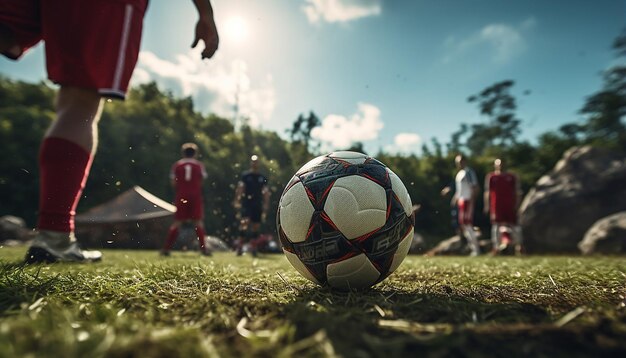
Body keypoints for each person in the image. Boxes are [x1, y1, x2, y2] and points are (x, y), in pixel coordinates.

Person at [1, 0, 219, 263]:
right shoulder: (197, 167)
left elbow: (174, 181)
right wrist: (205, 12)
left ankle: (57, 234)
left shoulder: (177, 165)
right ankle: (54, 234)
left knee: (7, 36)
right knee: (79, 101)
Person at [161, 143, 211, 256]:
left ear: (183, 153)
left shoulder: (177, 165)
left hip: (182, 195)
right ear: (195, 153)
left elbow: (173, 182)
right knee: (198, 221)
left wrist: (181, 189)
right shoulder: (199, 165)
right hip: (195, 195)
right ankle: (203, 249)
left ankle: (166, 248)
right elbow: (202, 180)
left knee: (177, 222)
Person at [484, 158, 523, 255]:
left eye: (501, 164)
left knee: (514, 225)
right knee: (496, 226)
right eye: (498, 164)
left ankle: (519, 246)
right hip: (496, 206)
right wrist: (487, 205)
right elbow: (487, 192)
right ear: (495, 165)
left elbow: (517, 191)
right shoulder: (491, 177)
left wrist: (517, 204)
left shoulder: (512, 177)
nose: (500, 166)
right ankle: (496, 247)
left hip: (510, 205)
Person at [233, 155, 270, 256]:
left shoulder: (262, 178)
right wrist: (237, 200)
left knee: (255, 226)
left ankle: (253, 248)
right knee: (244, 223)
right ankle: (239, 247)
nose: (254, 163)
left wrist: (266, 204)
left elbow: (265, 192)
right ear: (251, 163)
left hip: (257, 204)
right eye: (253, 161)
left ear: (258, 163)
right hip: (247, 203)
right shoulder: (245, 176)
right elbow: (241, 188)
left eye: (256, 162)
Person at [452, 154, 481, 256]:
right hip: (461, 202)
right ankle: (472, 247)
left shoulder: (469, 172)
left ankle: (476, 249)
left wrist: (472, 200)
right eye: (457, 162)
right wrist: (455, 198)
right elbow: (459, 190)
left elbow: (475, 187)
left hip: (467, 201)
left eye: (460, 161)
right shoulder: (459, 174)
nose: (459, 164)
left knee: (467, 224)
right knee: (464, 225)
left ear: (465, 161)